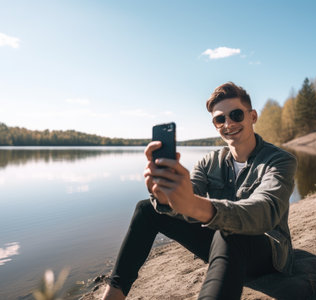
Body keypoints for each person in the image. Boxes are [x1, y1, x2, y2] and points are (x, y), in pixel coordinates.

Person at [102, 82, 297, 300]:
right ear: (215, 125)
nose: (228, 123)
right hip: (221, 244)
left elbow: (265, 210)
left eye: (236, 115)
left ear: (252, 116)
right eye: (220, 119)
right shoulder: (208, 162)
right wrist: (167, 198)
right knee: (147, 209)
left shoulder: (280, 160)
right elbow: (189, 196)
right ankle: (113, 295)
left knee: (228, 231)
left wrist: (194, 205)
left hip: (268, 252)